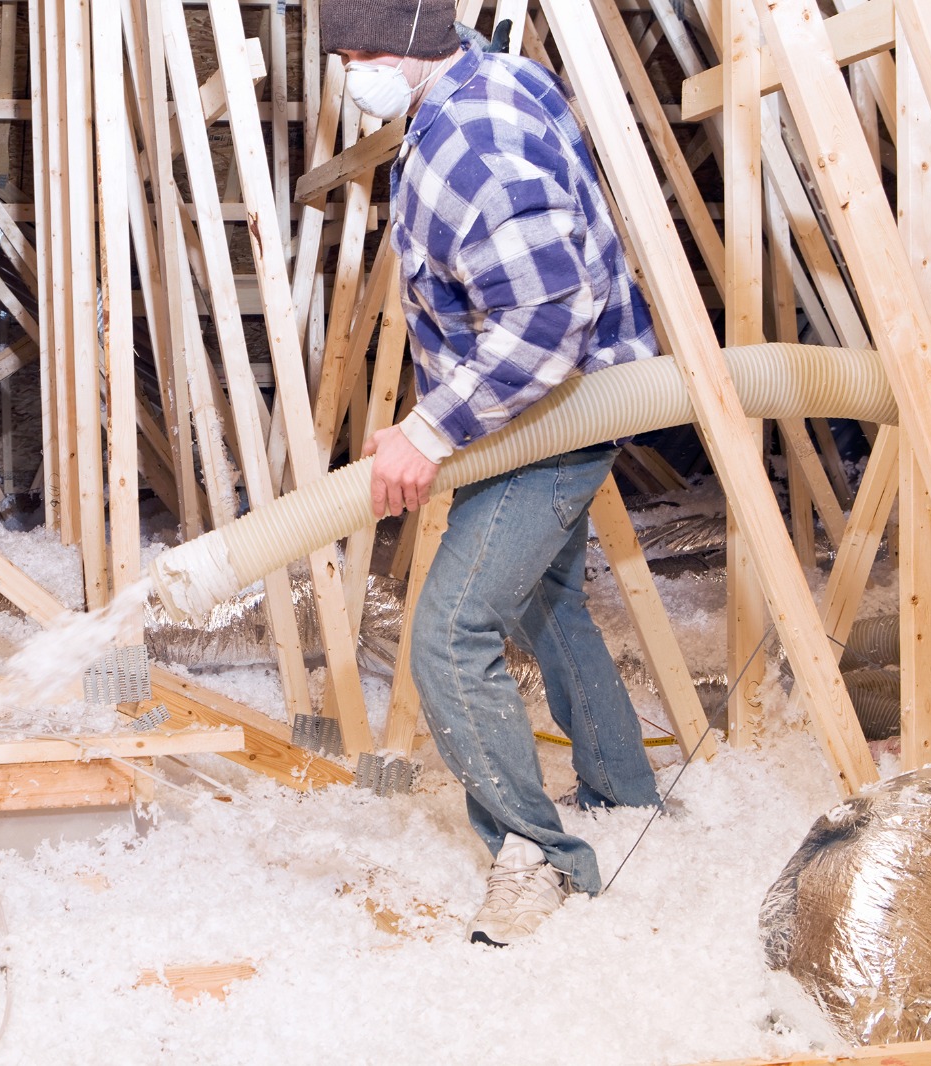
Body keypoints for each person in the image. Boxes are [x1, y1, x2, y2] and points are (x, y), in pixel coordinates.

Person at [320, 0, 664, 946]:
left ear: (421, 40)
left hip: (549, 418)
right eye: (341, 54)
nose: (351, 74)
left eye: (363, 52)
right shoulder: (494, 75)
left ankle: (540, 857)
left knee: (450, 633)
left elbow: (548, 320)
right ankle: (625, 794)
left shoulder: (470, 141)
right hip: (530, 413)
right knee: (545, 602)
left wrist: (427, 432)